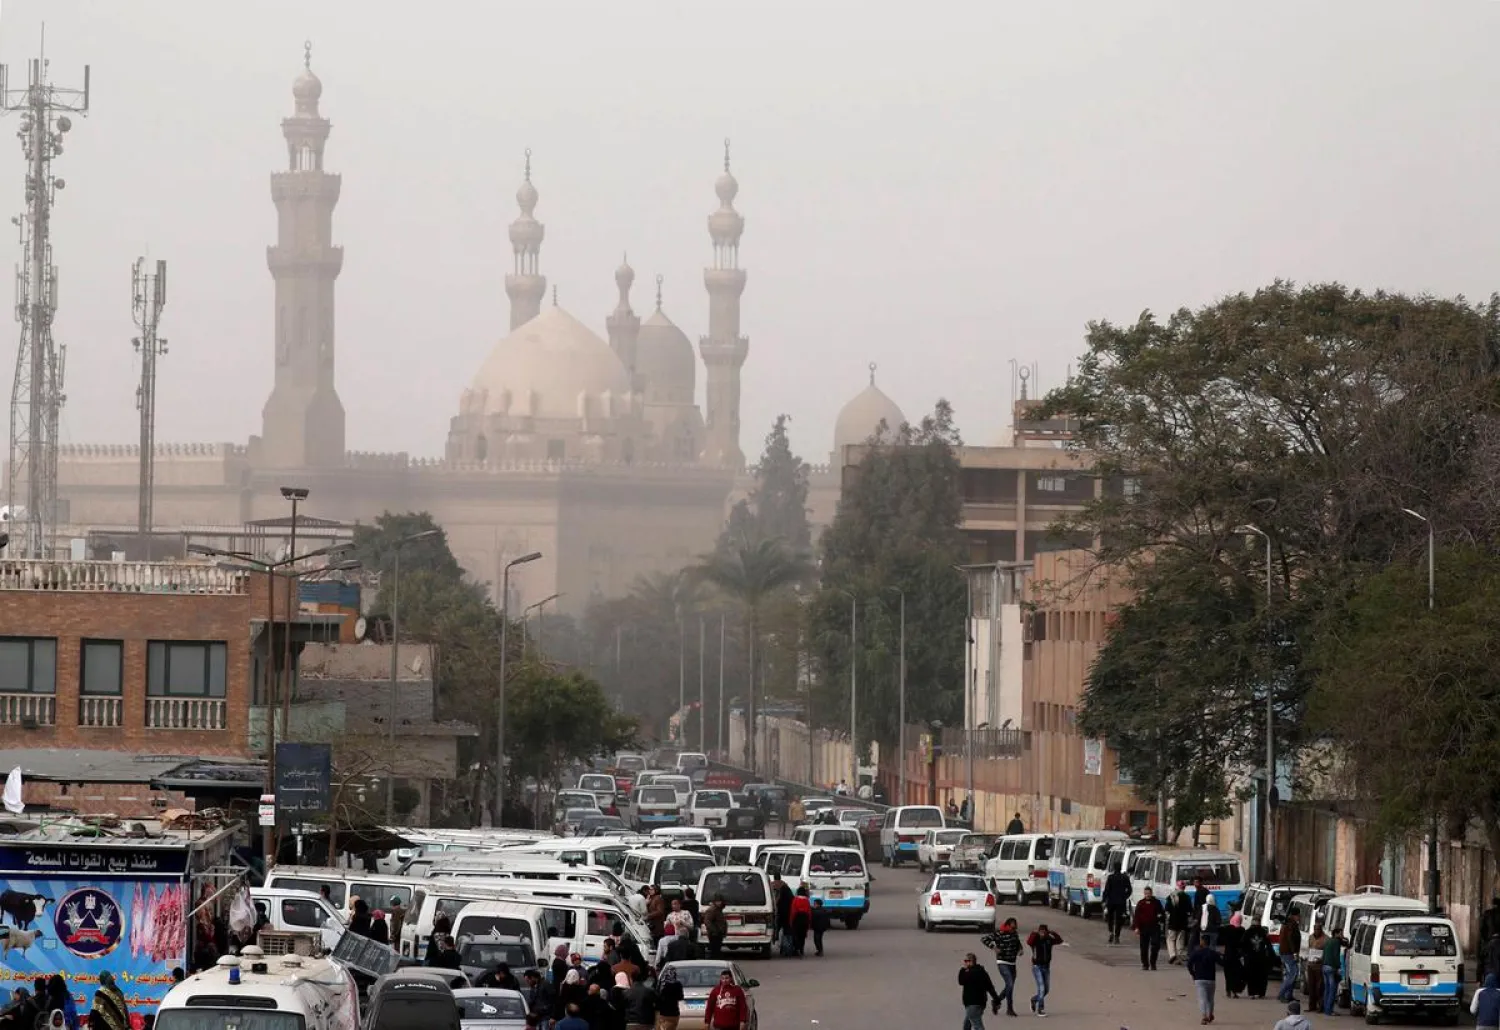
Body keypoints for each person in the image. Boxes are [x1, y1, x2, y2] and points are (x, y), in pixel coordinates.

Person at [980, 918, 1022, 1017]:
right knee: (1010, 984)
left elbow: (1018, 943)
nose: (1014, 929)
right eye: (1012, 927)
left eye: (1015, 927)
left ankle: (997, 1001)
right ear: (1007, 926)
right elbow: (984, 939)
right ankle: (1010, 1008)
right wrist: (994, 947)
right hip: (1002, 962)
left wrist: (1020, 949)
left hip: (1012, 963)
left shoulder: (1014, 933)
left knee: (1009, 986)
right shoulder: (1000, 933)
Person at [1025, 924, 1064, 1016]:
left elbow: (1059, 940)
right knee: (1041, 988)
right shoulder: (1035, 940)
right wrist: (1034, 933)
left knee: (1046, 989)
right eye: (1040, 931)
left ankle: (1034, 1000)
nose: (1042, 933)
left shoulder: (1049, 940)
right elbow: (1029, 942)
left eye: (1044, 931)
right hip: (1036, 966)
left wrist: (1052, 932)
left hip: (1046, 967)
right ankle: (1040, 1009)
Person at [957, 953, 1001, 1030]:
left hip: (972, 1004)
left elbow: (961, 981)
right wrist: (997, 1000)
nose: (964, 962)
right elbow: (990, 987)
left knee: (977, 1025)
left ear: (970, 961)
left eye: (966, 961)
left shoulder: (969, 973)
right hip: (981, 1003)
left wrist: (963, 969)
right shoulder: (982, 972)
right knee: (967, 1024)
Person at [1185, 933, 1222, 1025]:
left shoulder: (1196, 953)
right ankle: (1210, 1014)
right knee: (1210, 999)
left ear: (1202, 942)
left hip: (1199, 979)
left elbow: (1189, 964)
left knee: (1202, 998)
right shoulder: (1213, 953)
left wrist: (1193, 974)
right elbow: (1222, 963)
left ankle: (1204, 1015)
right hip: (1211, 979)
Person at [1130, 886, 1165, 971]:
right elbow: (1137, 916)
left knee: (1155, 945)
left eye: (1149, 893)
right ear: (1144, 894)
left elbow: (1161, 913)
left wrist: (1160, 918)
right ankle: (1145, 964)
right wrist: (1137, 927)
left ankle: (1153, 963)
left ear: (1151, 893)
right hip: (1144, 927)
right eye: (1146, 893)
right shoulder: (1140, 903)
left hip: (1154, 927)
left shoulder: (1157, 902)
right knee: (1144, 947)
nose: (1147, 895)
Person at [1276, 910, 1302, 1004]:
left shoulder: (1287, 923)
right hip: (1288, 952)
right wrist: (1294, 952)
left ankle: (1288, 995)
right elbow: (1290, 938)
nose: (1300, 918)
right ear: (1296, 915)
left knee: (1290, 973)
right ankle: (1281, 994)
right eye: (1299, 916)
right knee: (1293, 973)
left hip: (1286, 951)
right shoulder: (1291, 924)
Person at [1103, 864, 1133, 945]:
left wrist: (1104, 900)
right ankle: (1117, 936)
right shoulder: (1125, 877)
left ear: (1114, 868)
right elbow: (1130, 889)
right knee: (1119, 919)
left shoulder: (1110, 877)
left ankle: (1111, 932)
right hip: (1121, 902)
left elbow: (1107, 890)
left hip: (1111, 901)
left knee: (1110, 918)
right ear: (1120, 868)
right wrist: (1125, 896)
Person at [1219, 906, 1245, 999]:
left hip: (1228, 955)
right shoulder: (1241, 930)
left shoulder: (1227, 929)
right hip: (1237, 956)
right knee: (1236, 974)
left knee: (1228, 974)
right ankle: (1234, 991)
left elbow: (1221, 940)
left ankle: (1228, 990)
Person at [1164, 884, 1193, 964]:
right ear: (1184, 888)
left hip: (1172, 922)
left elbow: (1167, 910)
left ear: (1176, 887)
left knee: (1170, 939)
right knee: (1180, 940)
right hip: (1183, 923)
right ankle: (1179, 956)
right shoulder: (1187, 897)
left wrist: (1167, 920)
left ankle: (1172, 955)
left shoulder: (1171, 897)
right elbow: (1190, 910)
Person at [1243, 923, 1272, 1000]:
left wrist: (1244, 954)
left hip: (1251, 957)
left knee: (1251, 976)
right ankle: (1261, 993)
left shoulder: (1248, 932)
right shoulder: (1262, 932)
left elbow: (1243, 944)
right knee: (1261, 976)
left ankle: (1252, 993)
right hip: (1260, 957)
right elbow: (1268, 944)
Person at [1320, 928, 1343, 1017]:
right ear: (1336, 934)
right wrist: (1338, 967)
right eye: (1341, 933)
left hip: (1324, 967)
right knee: (1332, 990)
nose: (1342, 935)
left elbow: (1324, 954)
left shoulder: (1328, 941)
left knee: (1327, 989)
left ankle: (1326, 1009)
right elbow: (1336, 956)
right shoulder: (1336, 942)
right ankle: (1329, 1010)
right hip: (1331, 968)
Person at [655, 964, 684, 1030]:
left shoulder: (661, 983)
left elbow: (656, 996)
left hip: (662, 1013)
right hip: (674, 1013)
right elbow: (681, 997)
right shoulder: (677, 984)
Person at [1304, 927, 1326, 1013]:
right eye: (1315, 929)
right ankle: (1311, 1006)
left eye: (1318, 929)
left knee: (1319, 987)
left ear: (1321, 930)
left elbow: (1326, 952)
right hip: (1310, 964)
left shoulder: (1326, 939)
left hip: (1319, 966)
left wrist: (1321, 958)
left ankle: (1320, 1007)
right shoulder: (1311, 937)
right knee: (1311, 986)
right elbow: (1309, 948)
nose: (1316, 931)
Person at [789, 886, 812, 957]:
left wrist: (791, 921)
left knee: (796, 935)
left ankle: (796, 949)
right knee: (802, 936)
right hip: (805, 919)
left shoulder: (795, 899)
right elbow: (809, 912)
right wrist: (809, 922)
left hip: (797, 918)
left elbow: (793, 911)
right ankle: (801, 949)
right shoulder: (807, 900)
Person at [772, 875, 793, 944]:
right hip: (787, 912)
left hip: (777, 910)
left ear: (774, 877)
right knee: (786, 928)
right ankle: (787, 944)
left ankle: (775, 937)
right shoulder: (784, 884)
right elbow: (791, 898)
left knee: (777, 925)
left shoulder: (771, 884)